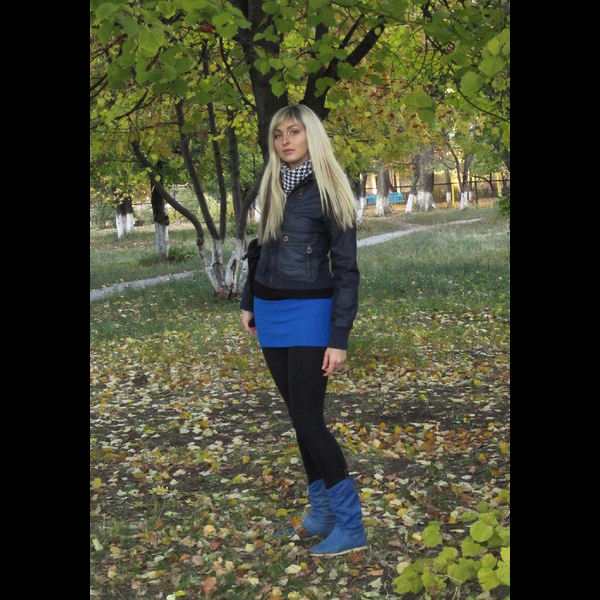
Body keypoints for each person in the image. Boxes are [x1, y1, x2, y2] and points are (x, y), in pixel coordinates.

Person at [240, 104, 367, 557]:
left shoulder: (331, 190)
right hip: (270, 312)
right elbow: (261, 249)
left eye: (294, 132)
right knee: (299, 418)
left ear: (312, 135)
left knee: (310, 420)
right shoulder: (273, 184)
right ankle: (322, 513)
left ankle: (351, 525)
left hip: (312, 313)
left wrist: (339, 337)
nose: (285, 141)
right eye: (279, 134)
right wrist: (249, 300)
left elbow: (347, 271)